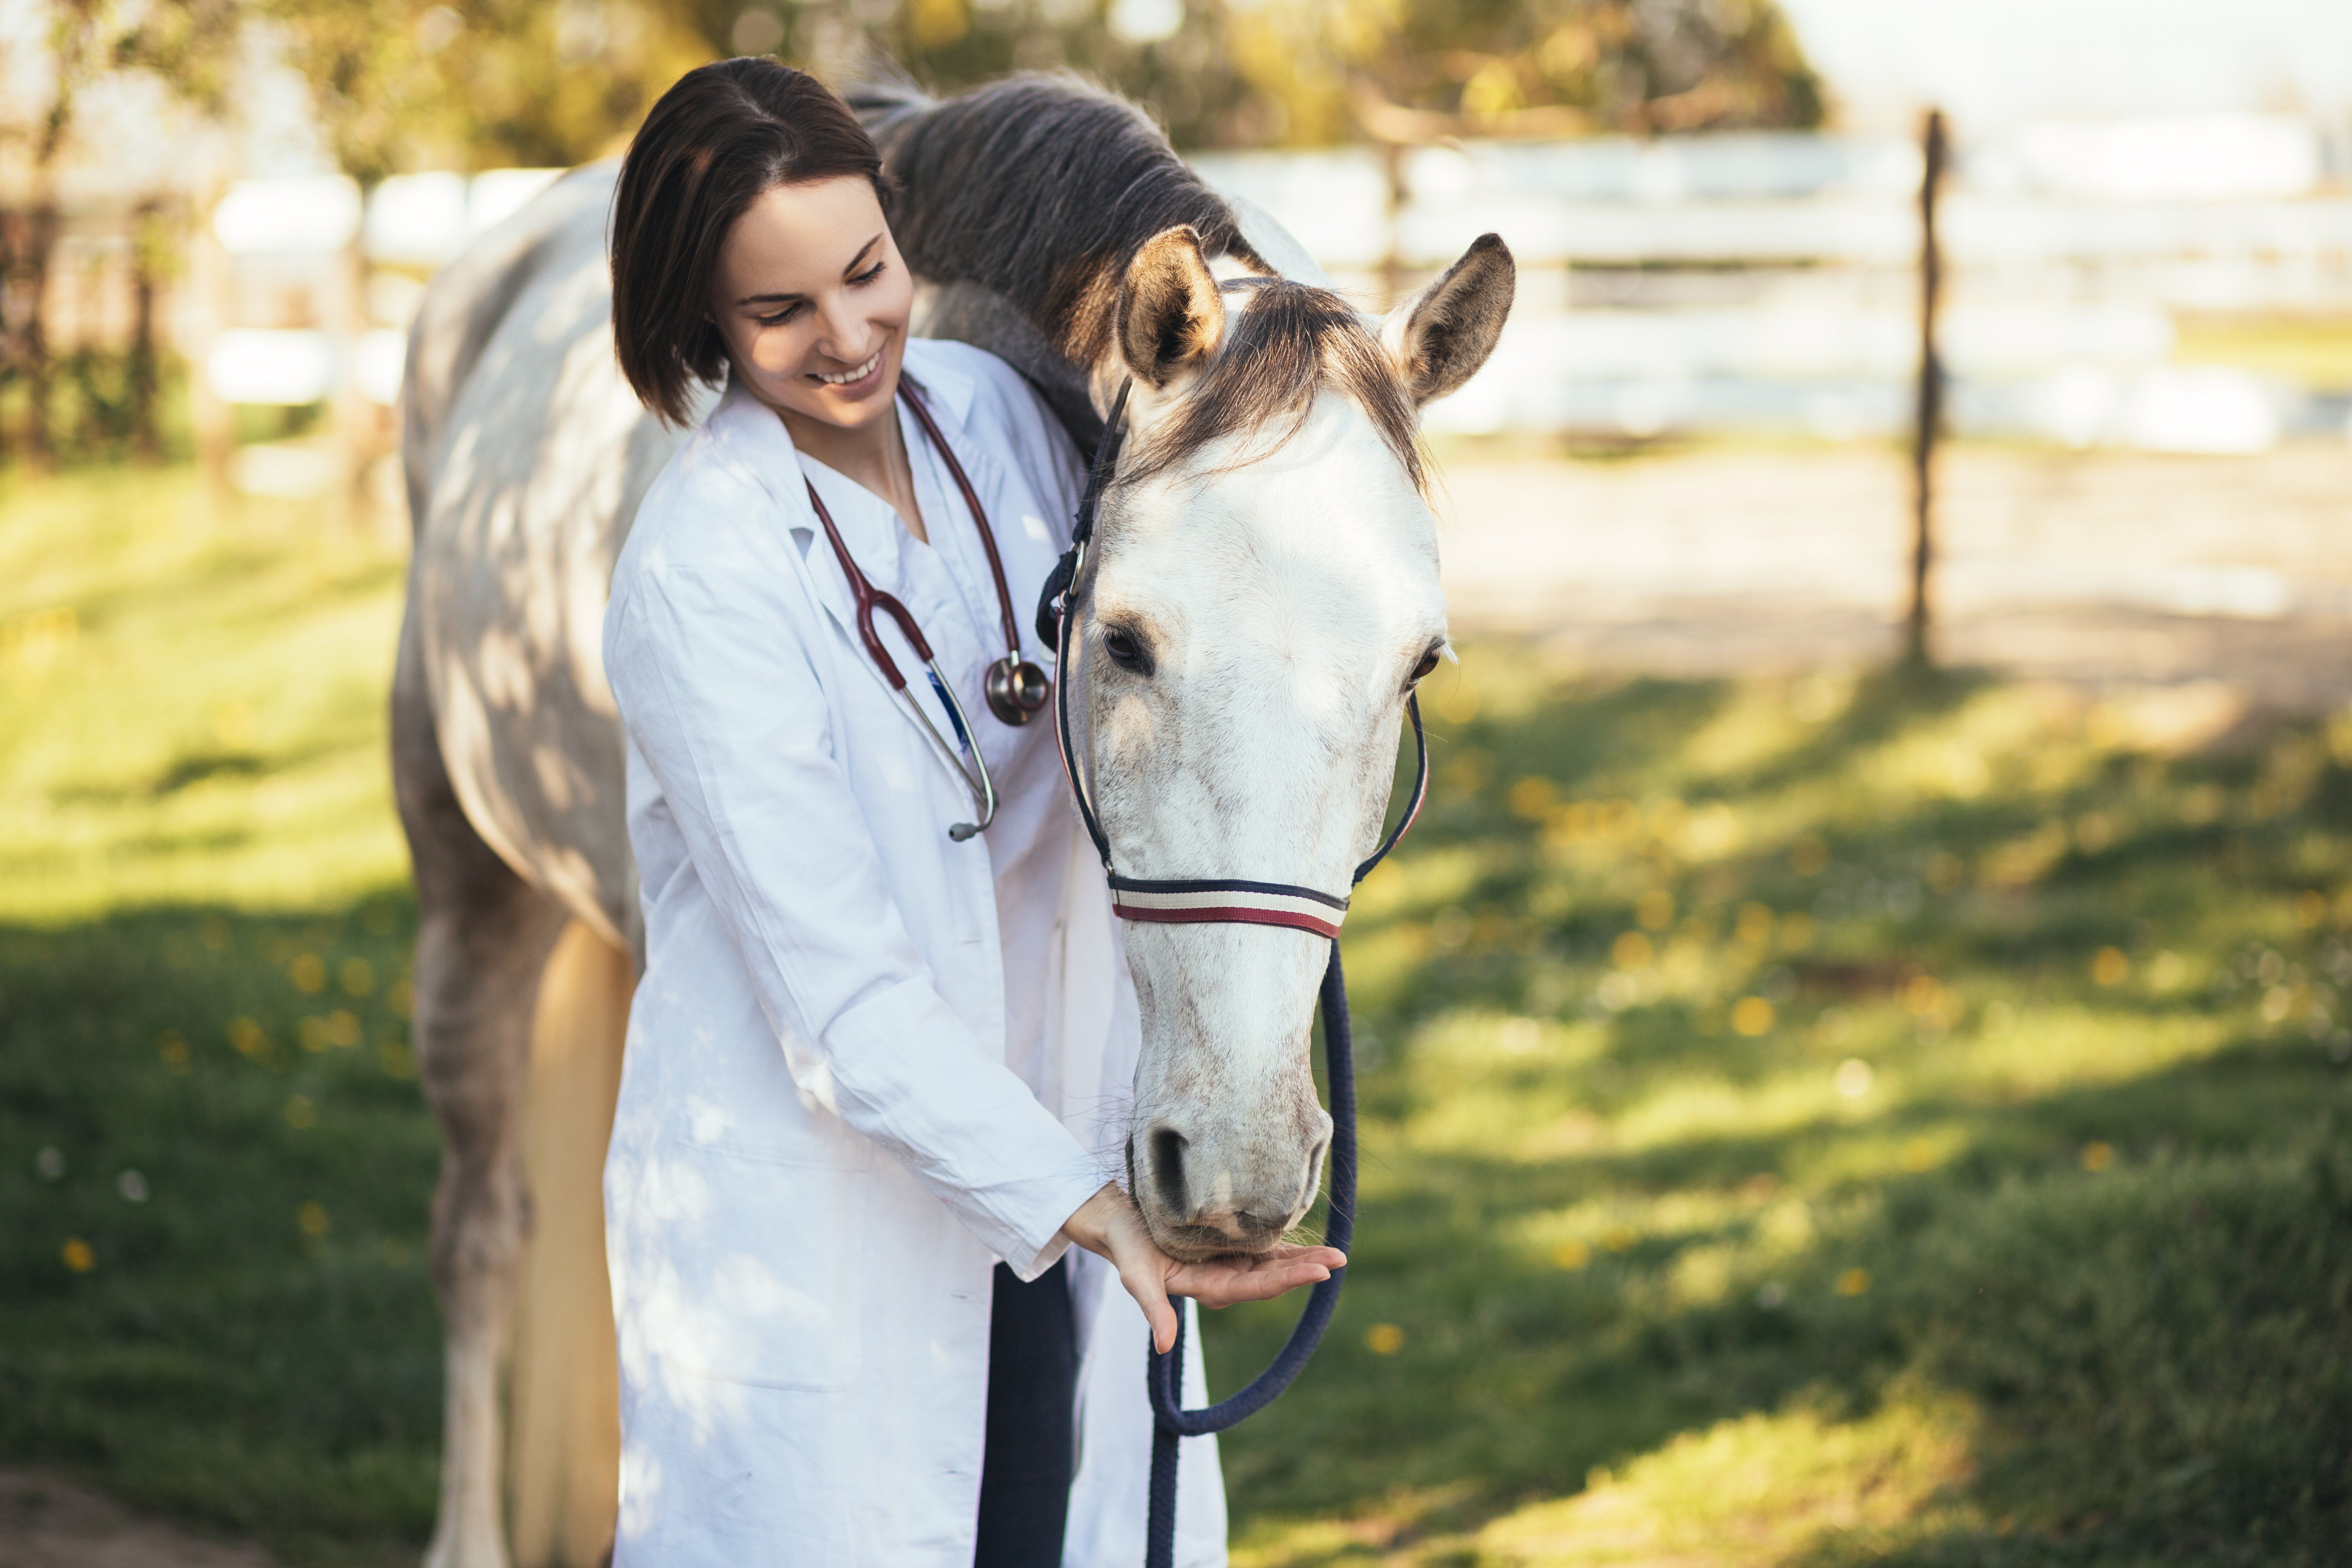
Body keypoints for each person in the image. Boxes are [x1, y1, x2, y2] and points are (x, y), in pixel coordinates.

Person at [597, 59, 1344, 1568]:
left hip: (1052, 1160)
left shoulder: (1000, 417)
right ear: (698, 325)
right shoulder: (700, 571)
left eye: (867, 271)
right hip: (839, 1219)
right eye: (777, 312)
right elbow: (844, 1006)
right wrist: (1090, 1204)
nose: (849, 335)